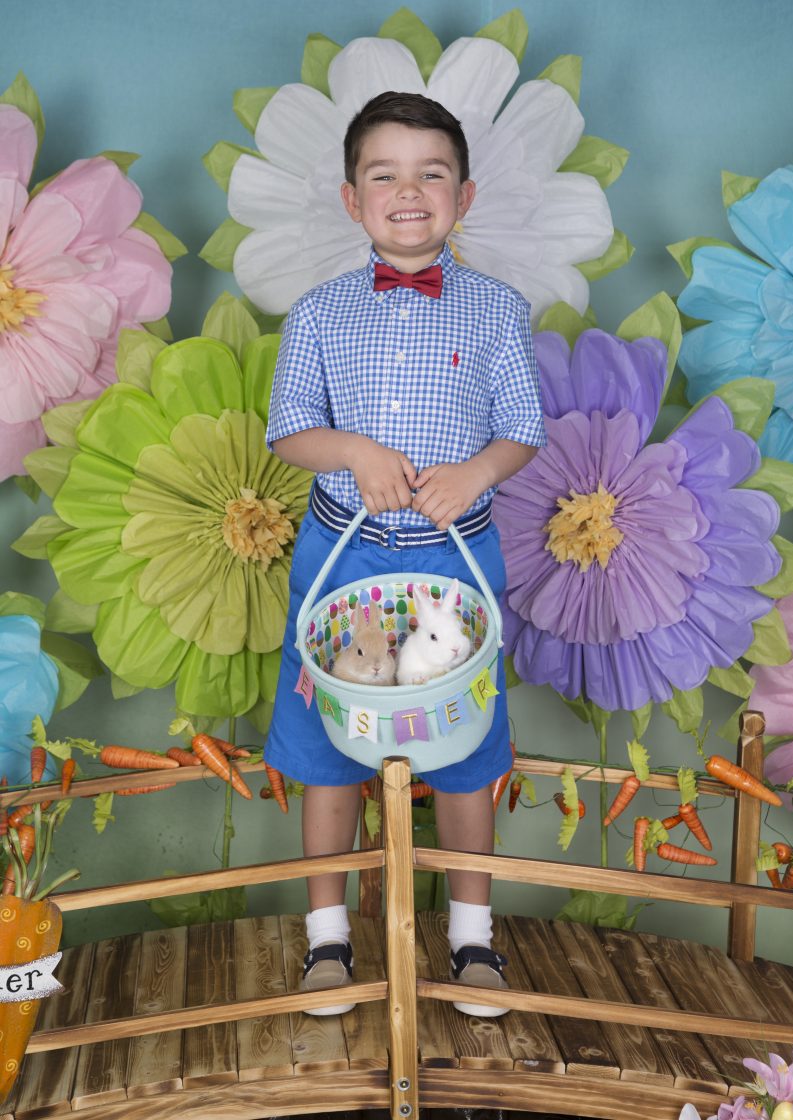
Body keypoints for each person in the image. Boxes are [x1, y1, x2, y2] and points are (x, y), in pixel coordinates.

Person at [265, 90, 545, 1017]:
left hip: (456, 558)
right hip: (342, 555)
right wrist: (353, 452)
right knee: (327, 745)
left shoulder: (497, 309)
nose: (409, 192)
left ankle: (473, 942)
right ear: (354, 200)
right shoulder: (318, 312)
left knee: (464, 746)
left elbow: (523, 428)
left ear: (465, 196)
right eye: (384, 175)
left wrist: (476, 473)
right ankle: (328, 943)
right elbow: (289, 430)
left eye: (432, 174)